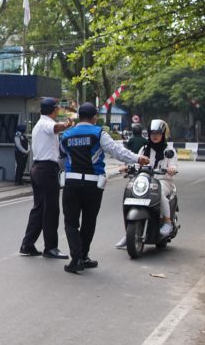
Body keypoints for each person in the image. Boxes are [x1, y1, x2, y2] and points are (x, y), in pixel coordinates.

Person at [59, 103, 149, 273]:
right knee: (89, 221)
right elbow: (117, 151)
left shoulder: (66, 135)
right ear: (94, 118)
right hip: (93, 185)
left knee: (71, 222)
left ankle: (77, 258)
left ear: (79, 116)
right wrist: (138, 158)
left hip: (71, 183)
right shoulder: (99, 132)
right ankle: (83, 256)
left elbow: (62, 156)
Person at [19, 97, 73, 259]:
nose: (58, 111)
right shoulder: (46, 124)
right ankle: (50, 247)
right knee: (51, 209)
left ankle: (27, 244)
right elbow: (56, 127)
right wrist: (67, 125)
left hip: (38, 168)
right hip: (46, 169)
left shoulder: (38, 125)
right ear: (53, 109)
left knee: (40, 208)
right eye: (57, 108)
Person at [115, 119, 177, 248]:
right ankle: (128, 233)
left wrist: (172, 169)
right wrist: (127, 167)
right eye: (152, 133)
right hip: (144, 180)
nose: (155, 136)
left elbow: (174, 165)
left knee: (158, 191)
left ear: (163, 134)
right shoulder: (144, 149)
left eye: (158, 133)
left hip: (163, 180)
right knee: (130, 193)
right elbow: (137, 163)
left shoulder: (169, 150)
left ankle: (167, 222)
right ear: (148, 134)